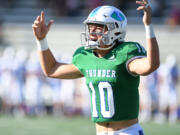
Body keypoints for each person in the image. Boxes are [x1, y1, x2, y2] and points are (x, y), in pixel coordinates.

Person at [32, 0, 160, 134]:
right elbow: (51, 70)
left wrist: (148, 26)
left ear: (115, 29)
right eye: (90, 26)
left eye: (98, 27)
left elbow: (151, 65)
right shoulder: (86, 56)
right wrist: (41, 40)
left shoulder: (126, 52)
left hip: (127, 132)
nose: (91, 31)